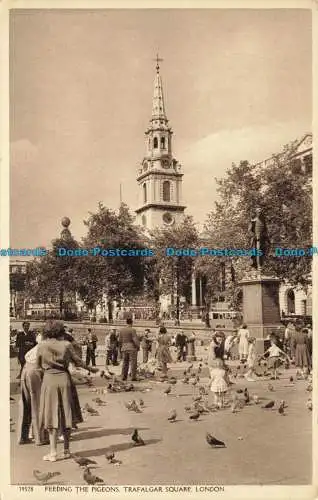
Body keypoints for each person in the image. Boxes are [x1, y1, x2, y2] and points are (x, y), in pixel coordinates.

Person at [36, 320, 99, 462]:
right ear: (60, 331)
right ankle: (66, 450)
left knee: (51, 415)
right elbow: (78, 362)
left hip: (49, 380)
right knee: (66, 414)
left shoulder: (41, 346)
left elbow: (38, 366)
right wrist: (91, 369)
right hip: (64, 379)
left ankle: (52, 452)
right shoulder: (67, 345)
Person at [17, 333, 48, 446]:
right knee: (38, 404)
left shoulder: (36, 347)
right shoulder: (47, 346)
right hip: (35, 371)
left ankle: (22, 436)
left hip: (25, 370)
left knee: (25, 403)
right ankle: (39, 437)